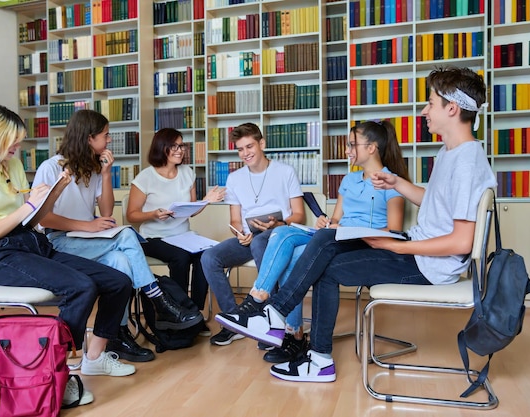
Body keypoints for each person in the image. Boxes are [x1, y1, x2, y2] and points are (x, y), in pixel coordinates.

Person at [216, 66, 497, 383]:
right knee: (325, 242)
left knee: (326, 255)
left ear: (452, 108)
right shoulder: (451, 153)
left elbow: (461, 242)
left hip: (428, 264)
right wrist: (396, 183)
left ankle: (292, 333)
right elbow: (436, 201)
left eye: (430, 103)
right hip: (419, 252)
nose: (424, 110)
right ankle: (295, 335)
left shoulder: (466, 162)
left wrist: (396, 244)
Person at [0, 104, 139, 406]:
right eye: (13, 140)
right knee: (81, 287)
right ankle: (56, 374)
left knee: (118, 281)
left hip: (34, 244)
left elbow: (34, 218)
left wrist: (55, 189)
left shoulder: (9, 166)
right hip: (3, 255)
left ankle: (94, 357)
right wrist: (29, 206)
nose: (18, 146)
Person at [33, 110, 201, 363]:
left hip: (86, 240)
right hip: (59, 241)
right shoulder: (51, 167)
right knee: (125, 236)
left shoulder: (93, 168)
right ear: (90, 138)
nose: (109, 140)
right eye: (106, 135)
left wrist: (107, 173)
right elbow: (41, 218)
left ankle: (116, 334)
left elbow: (108, 211)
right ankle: (157, 298)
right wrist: (86, 225)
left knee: (122, 264)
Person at [238, 120, 409, 364]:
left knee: (295, 258)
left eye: (352, 145)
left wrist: (347, 229)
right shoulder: (349, 181)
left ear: (371, 148)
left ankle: (293, 334)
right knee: (281, 234)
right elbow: (336, 218)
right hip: (334, 236)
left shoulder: (392, 182)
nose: (347, 150)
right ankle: (258, 297)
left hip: (361, 242)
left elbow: (393, 230)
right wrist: (325, 222)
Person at [201, 122, 306, 346]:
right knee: (209, 257)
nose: (245, 153)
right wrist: (240, 233)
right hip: (250, 238)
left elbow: (299, 215)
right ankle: (236, 321)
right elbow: (235, 219)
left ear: (262, 144)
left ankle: (271, 321)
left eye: (249, 147)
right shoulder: (234, 178)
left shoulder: (285, 172)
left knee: (261, 244)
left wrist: (278, 223)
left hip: (279, 234)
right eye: (240, 149)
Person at [126, 128, 226, 336]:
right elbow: (132, 215)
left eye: (181, 145)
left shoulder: (187, 173)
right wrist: (153, 214)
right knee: (180, 258)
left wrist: (206, 201)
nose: (180, 150)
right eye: (174, 146)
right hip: (153, 237)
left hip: (183, 235)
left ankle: (194, 312)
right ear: (161, 148)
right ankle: (178, 312)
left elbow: (190, 210)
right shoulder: (145, 177)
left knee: (206, 256)